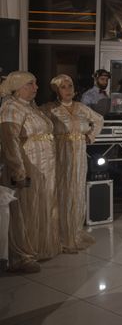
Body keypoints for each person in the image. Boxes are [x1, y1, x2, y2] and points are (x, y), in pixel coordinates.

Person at [0, 71, 60, 273]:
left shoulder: (31, 108)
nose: (36, 87)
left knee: (41, 204)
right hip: (28, 166)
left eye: (35, 83)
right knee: (25, 209)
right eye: (30, 84)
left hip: (44, 166)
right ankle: (21, 255)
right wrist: (18, 170)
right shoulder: (10, 107)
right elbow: (10, 141)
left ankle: (37, 246)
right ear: (17, 86)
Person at [41, 74, 104, 253]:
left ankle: (74, 233)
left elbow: (99, 120)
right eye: (63, 87)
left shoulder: (81, 107)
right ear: (56, 90)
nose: (68, 90)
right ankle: (61, 236)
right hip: (60, 155)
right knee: (62, 192)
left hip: (79, 155)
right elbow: (39, 125)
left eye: (70, 85)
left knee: (76, 192)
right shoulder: (49, 109)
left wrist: (90, 136)